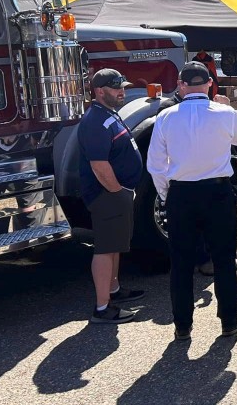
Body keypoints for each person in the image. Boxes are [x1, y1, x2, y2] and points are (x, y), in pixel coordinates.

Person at [148, 62, 237, 339]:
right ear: (208, 85)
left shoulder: (166, 116)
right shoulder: (225, 112)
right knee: (224, 258)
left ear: (182, 85)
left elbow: (156, 165)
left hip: (182, 193)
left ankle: (182, 324)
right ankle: (229, 319)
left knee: (180, 261)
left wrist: (167, 195)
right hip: (217, 191)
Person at [77, 69, 145, 324]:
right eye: (115, 87)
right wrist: (118, 192)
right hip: (107, 195)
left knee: (115, 244)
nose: (121, 91)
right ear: (99, 91)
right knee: (105, 249)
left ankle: (114, 290)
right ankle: (102, 307)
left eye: (122, 86)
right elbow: (99, 165)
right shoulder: (95, 121)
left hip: (118, 194)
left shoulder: (109, 113)